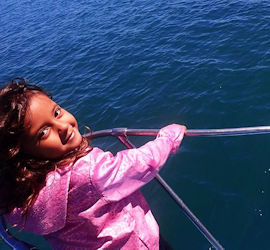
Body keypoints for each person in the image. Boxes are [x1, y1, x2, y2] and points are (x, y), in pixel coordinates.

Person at [0, 78, 185, 249]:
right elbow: (141, 163)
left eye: (56, 112)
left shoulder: (19, 195)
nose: (63, 126)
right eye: (43, 132)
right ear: (21, 154)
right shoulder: (87, 173)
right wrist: (168, 139)